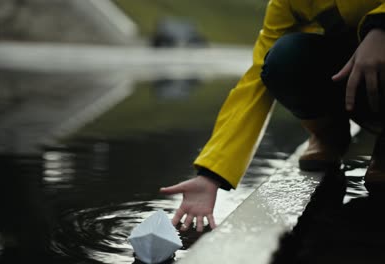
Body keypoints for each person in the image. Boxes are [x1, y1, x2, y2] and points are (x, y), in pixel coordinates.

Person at [160, 0, 385, 233]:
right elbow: (256, 82)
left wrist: (380, 28)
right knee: (283, 57)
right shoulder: (287, 3)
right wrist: (210, 175)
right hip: (354, 73)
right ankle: (330, 133)